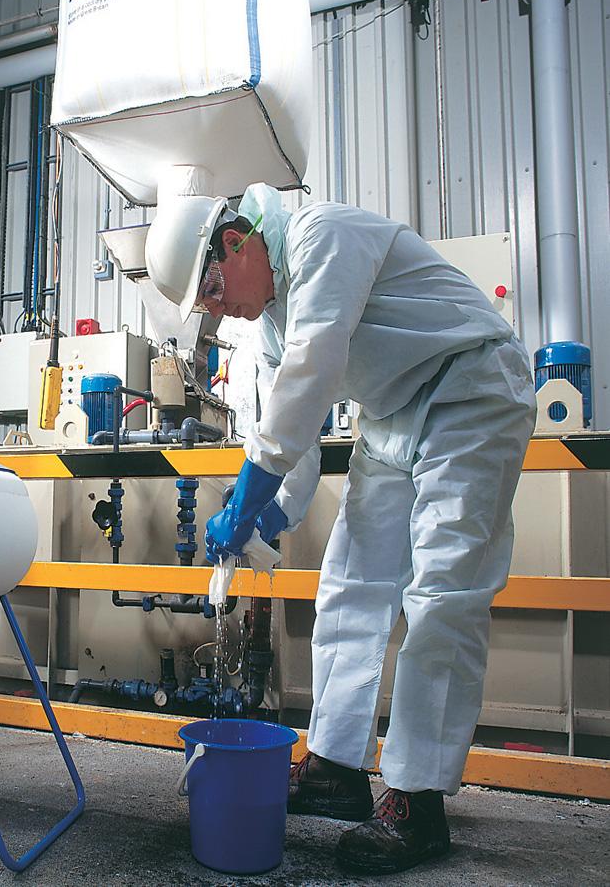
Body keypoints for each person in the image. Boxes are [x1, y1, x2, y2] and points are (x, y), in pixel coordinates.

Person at [145, 185, 536, 875]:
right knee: (349, 585)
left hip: (469, 387)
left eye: (211, 288)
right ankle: (336, 769)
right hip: (391, 418)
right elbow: (288, 451)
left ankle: (417, 800)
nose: (216, 309)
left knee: (442, 596)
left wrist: (245, 494)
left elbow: (312, 374)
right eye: (204, 306)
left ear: (237, 242)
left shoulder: (321, 237)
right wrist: (259, 516)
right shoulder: (266, 325)